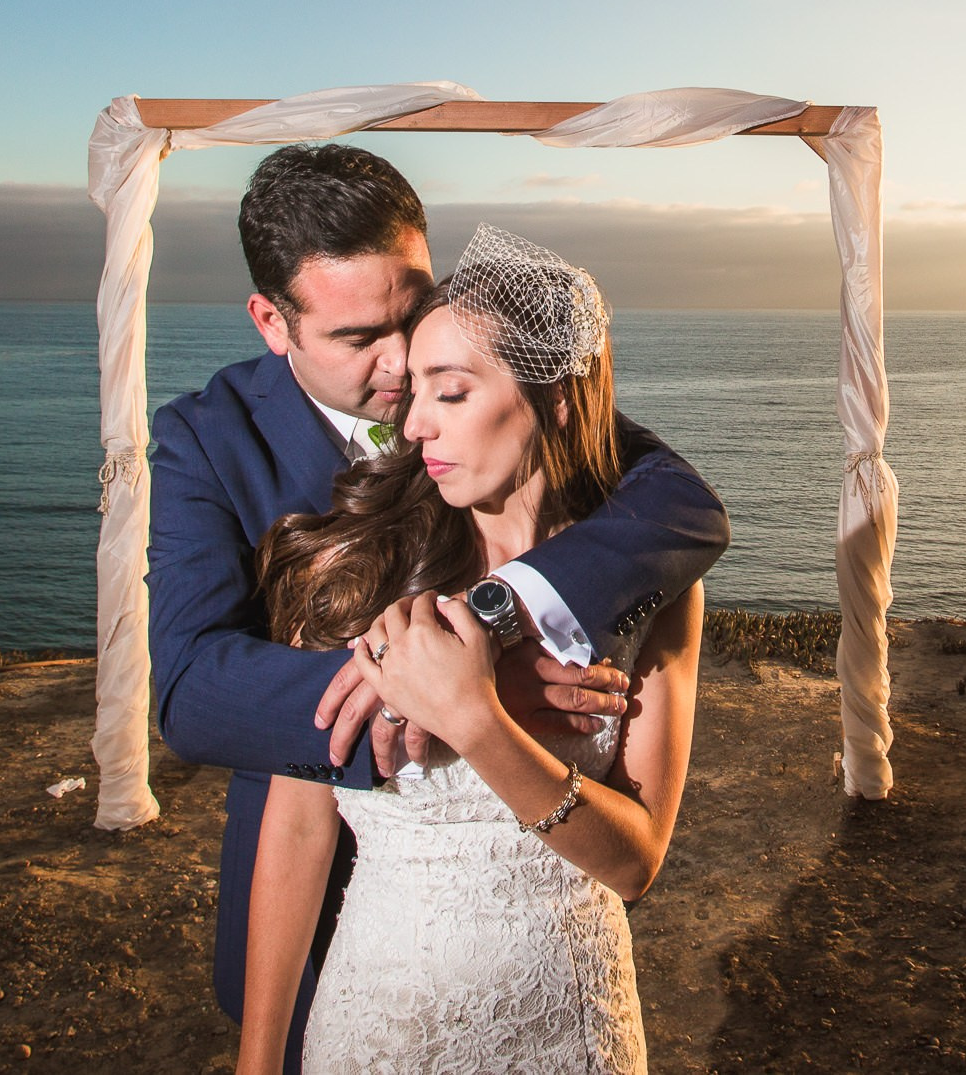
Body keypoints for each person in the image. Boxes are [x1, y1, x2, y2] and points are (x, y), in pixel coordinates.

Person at [147, 147, 729, 1071]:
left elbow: (681, 502)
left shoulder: (526, 413)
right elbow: (187, 689)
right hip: (337, 961)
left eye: (413, 324)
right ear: (273, 320)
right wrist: (416, 680)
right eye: (356, 339)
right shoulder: (207, 443)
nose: (401, 384)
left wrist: (490, 637)